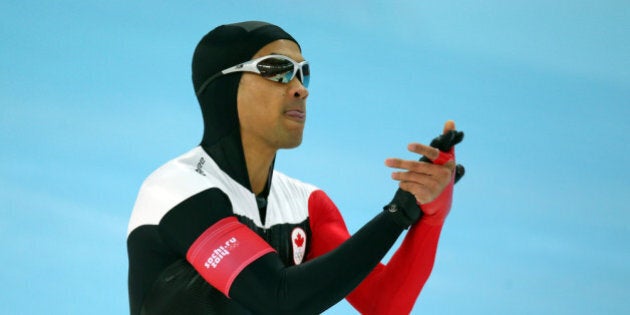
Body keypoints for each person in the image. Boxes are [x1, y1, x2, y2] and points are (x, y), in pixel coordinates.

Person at [127, 21, 465, 315]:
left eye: (304, 73)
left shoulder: (307, 204)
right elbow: (278, 299)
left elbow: (384, 304)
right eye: (277, 69)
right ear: (223, 87)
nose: (300, 88)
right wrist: (398, 213)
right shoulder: (176, 188)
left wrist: (430, 215)